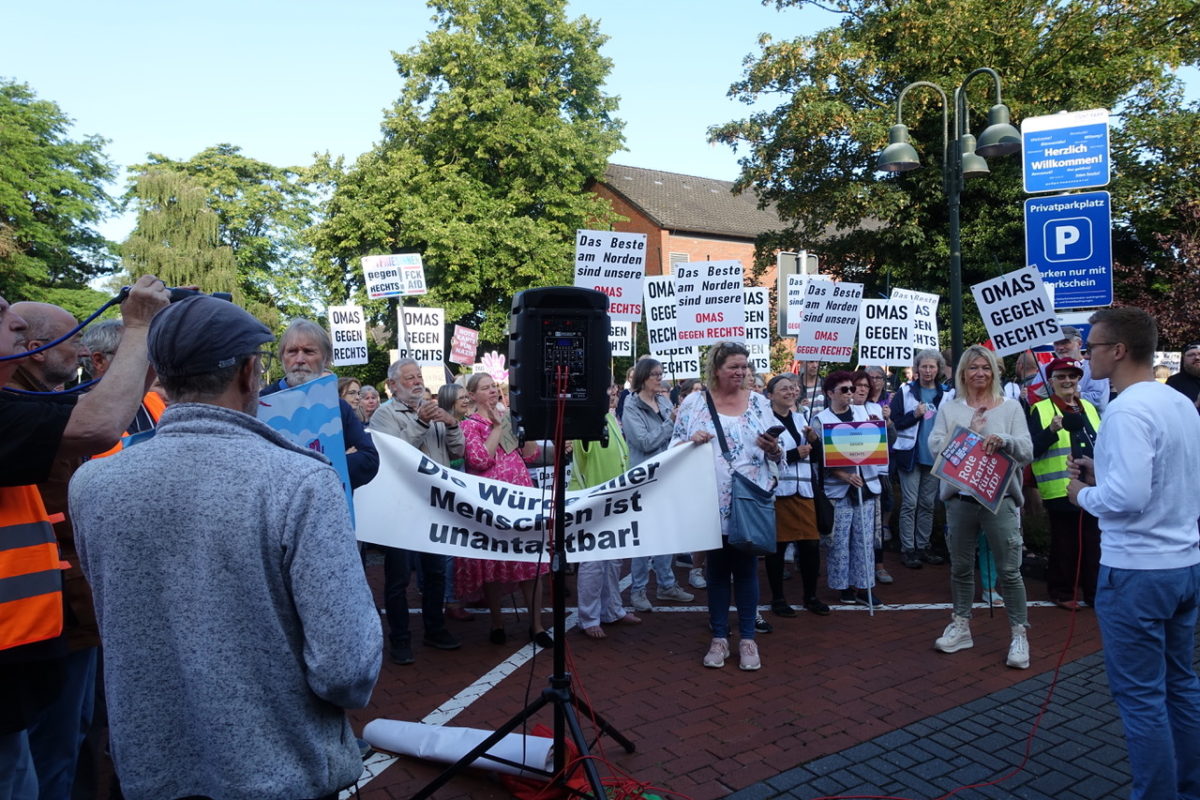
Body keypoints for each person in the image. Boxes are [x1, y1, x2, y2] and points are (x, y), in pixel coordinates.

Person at [69, 295, 381, 800]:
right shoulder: (299, 480)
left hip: (150, 771)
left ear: (160, 377)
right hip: (280, 770)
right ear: (249, 372)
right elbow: (346, 669)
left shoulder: (92, 483)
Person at [0, 278, 170, 800]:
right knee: (38, 767)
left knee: (72, 743)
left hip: (54, 618)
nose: (17, 321)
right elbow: (95, 427)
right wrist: (138, 325)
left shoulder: (30, 404)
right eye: (4, 315)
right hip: (36, 626)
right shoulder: (17, 410)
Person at [1067, 308, 1200, 800]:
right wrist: (1103, 475)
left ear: (1119, 350)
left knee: (1142, 699)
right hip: (1183, 564)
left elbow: (1126, 500)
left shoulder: (1125, 410)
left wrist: (1081, 494)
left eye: (1093, 347)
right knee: (1180, 686)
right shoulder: (1180, 403)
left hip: (1137, 572)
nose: (1085, 358)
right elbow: (1168, 479)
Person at [672, 342, 783, 671]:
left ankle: (748, 638)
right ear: (716, 369)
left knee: (747, 570)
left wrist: (773, 448)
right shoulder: (694, 402)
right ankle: (719, 638)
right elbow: (673, 445)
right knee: (717, 572)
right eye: (734, 366)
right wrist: (690, 442)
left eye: (744, 366)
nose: (741, 372)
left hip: (749, 498)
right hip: (709, 498)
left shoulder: (760, 403)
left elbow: (779, 453)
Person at [928, 345, 1034, 669]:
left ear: (994, 372)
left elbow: (1027, 450)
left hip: (999, 501)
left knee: (1009, 571)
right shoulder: (950, 409)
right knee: (960, 568)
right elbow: (935, 448)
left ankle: (1019, 634)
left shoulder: (1011, 407)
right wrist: (969, 433)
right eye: (973, 368)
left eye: (985, 368)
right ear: (962, 372)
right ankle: (961, 626)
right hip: (960, 500)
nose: (980, 374)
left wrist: (1004, 439)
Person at [368, 359, 463, 664]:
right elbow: (397, 454)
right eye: (408, 378)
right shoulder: (383, 415)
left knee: (435, 571)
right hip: (400, 507)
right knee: (398, 577)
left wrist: (451, 425)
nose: (416, 381)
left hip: (433, 505)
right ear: (393, 386)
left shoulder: (433, 410)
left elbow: (457, 451)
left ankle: (435, 629)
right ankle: (400, 638)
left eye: (419, 376)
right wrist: (421, 422)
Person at [458, 373, 552, 646]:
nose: (492, 391)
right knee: (494, 563)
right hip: (492, 504)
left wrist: (527, 426)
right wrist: (497, 428)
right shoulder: (469, 426)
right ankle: (497, 623)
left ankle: (536, 626)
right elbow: (479, 460)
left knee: (530, 562)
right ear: (473, 395)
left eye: (494, 387)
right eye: (485, 388)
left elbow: (531, 454)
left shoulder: (510, 418)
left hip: (521, 501)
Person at [261, 319, 378, 490]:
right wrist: (334, 461)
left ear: (326, 358)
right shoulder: (260, 404)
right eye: (292, 351)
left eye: (308, 351)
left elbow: (370, 459)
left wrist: (329, 465)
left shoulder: (339, 408)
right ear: (282, 357)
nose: (300, 359)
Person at [1027, 357, 1101, 609]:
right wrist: (1050, 431)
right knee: (1065, 543)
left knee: (1093, 541)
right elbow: (1030, 450)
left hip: (1092, 486)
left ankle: (1094, 592)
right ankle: (1062, 591)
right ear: (1051, 381)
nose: (1067, 381)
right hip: (1060, 487)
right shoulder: (1041, 409)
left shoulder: (1089, 408)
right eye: (1061, 376)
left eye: (1072, 376)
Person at [620, 358, 694, 609]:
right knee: (646, 536)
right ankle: (638, 591)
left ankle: (666, 584)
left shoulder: (663, 401)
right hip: (645, 478)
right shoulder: (630, 407)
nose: (659, 378)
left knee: (667, 533)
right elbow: (644, 442)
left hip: (668, 475)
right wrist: (671, 421)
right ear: (642, 377)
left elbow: (677, 434)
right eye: (654, 374)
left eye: (661, 373)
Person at [569, 408, 642, 638]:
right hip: (593, 500)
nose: (611, 393)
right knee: (593, 562)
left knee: (614, 560)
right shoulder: (586, 419)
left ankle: (612, 610)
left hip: (615, 500)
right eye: (604, 388)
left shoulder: (608, 416)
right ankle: (588, 617)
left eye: (610, 388)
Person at [815, 371, 884, 607]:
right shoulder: (821, 420)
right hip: (839, 490)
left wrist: (886, 424)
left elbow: (884, 444)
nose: (850, 394)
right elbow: (818, 459)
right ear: (830, 393)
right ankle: (842, 587)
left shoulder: (865, 414)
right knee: (839, 541)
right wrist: (843, 475)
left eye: (851, 389)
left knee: (864, 541)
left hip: (866, 486)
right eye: (844, 390)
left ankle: (864, 587)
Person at [763, 374, 829, 617]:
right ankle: (778, 598)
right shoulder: (764, 420)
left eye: (793, 388)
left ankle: (811, 596)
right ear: (770, 395)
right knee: (777, 548)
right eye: (783, 389)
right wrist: (793, 454)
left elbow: (816, 455)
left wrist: (814, 441)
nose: (790, 392)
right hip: (779, 492)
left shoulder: (802, 418)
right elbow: (760, 457)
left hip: (804, 490)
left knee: (811, 545)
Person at [890, 349, 948, 570]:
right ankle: (908, 548)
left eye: (932, 366)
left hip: (934, 457)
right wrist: (913, 415)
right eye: (923, 366)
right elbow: (894, 423)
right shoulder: (905, 392)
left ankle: (923, 546)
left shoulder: (946, 394)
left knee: (927, 504)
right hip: (910, 455)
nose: (928, 371)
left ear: (938, 369)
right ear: (917, 369)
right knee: (910, 503)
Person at [1054, 326, 1109, 411]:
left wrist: (1069, 394)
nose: (1060, 347)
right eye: (1056, 343)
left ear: (1079, 343)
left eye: (1065, 342)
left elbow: (1100, 401)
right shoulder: (1045, 369)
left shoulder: (1094, 367)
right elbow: (1034, 397)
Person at [1165, 341, 1200, 412]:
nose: (1197, 357)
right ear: (1184, 359)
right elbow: (1168, 411)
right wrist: (1196, 404)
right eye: (1191, 355)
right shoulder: (1173, 382)